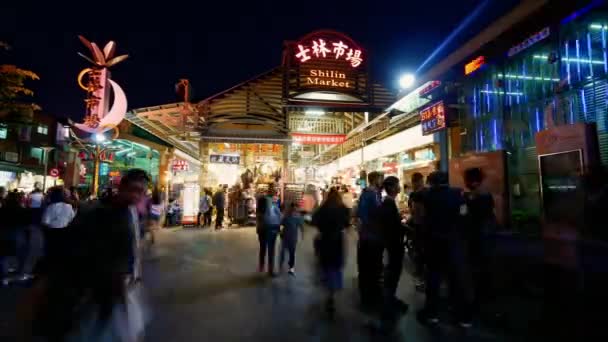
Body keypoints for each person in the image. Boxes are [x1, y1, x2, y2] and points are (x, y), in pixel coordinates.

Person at [28, 169, 151, 341]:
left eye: (141, 192)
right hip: (90, 288)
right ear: (121, 187)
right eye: (133, 189)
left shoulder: (130, 213)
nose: (136, 195)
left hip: (114, 289)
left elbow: (131, 248)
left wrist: (131, 274)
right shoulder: (97, 211)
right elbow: (70, 245)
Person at [417, 171, 474, 328]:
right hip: (454, 243)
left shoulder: (427, 196)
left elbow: (422, 218)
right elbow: (464, 216)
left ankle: (432, 314)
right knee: (457, 279)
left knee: (434, 279)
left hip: (434, 244)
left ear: (433, 183)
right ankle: (463, 317)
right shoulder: (458, 194)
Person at [376, 176, 409, 329]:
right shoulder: (388, 204)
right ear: (393, 188)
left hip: (390, 245)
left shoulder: (387, 203)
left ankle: (389, 301)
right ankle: (388, 306)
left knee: (392, 274)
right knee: (393, 274)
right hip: (394, 246)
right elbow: (392, 227)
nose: (399, 188)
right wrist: (403, 226)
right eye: (397, 185)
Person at [463, 168, 496, 315]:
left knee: (476, 270)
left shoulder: (470, 198)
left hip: (475, 239)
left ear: (471, 181)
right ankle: (487, 300)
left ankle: (477, 302)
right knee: (486, 269)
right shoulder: (487, 195)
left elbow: (464, 216)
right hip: (487, 238)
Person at [312, 188, 350, 314]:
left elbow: (314, 220)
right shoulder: (342, 208)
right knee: (335, 266)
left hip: (325, 240)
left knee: (326, 265)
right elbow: (347, 223)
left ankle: (328, 290)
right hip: (337, 240)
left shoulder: (323, 208)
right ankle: (332, 293)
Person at [356, 171, 384, 310]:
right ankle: (370, 297)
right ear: (375, 180)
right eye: (380, 178)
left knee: (366, 266)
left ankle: (366, 295)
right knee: (372, 267)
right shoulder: (372, 194)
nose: (382, 181)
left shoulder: (367, 193)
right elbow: (376, 214)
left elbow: (360, 214)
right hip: (371, 236)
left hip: (366, 236)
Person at [41, 187, 76, 271]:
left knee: (52, 251)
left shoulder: (51, 207)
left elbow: (45, 221)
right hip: (65, 231)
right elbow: (72, 218)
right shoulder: (69, 206)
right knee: (61, 251)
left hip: (52, 232)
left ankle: (50, 268)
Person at [0, 191, 29, 285]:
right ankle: (13, 273)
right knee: (17, 253)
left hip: (4, 233)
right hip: (17, 233)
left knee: (4, 253)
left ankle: (4, 274)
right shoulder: (21, 209)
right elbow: (25, 223)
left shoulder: (2, 209)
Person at [256, 185, 282, 276]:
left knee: (266, 248)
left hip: (268, 227)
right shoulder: (265, 200)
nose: (276, 191)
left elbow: (277, 215)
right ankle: (266, 268)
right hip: (268, 227)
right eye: (275, 189)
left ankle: (264, 267)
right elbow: (261, 215)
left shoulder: (274, 201)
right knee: (268, 249)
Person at [408, 172, 427, 291]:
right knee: (420, 251)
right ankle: (420, 274)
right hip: (420, 226)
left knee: (421, 251)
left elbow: (416, 210)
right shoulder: (417, 194)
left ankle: (421, 275)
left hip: (420, 226)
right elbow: (413, 209)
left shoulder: (421, 193)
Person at [279, 202, 304, 275]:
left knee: (291, 253)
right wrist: (280, 231)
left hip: (293, 238)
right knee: (283, 252)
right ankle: (281, 264)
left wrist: (302, 235)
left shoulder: (298, 217)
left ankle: (291, 267)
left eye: (296, 208)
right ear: (291, 208)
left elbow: (301, 227)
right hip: (285, 237)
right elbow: (281, 224)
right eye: (293, 208)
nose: (295, 209)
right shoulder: (286, 216)